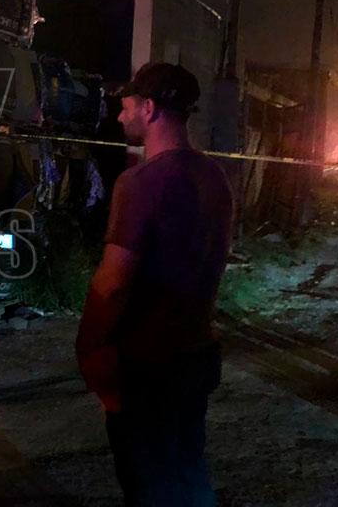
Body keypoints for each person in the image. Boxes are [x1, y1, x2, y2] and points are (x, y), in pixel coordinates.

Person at [76, 63, 233, 507]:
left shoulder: (140, 182)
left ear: (149, 108)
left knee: (147, 485)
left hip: (148, 365)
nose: (120, 116)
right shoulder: (215, 177)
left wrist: (87, 349)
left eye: (126, 107)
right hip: (196, 355)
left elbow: (113, 283)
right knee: (188, 471)